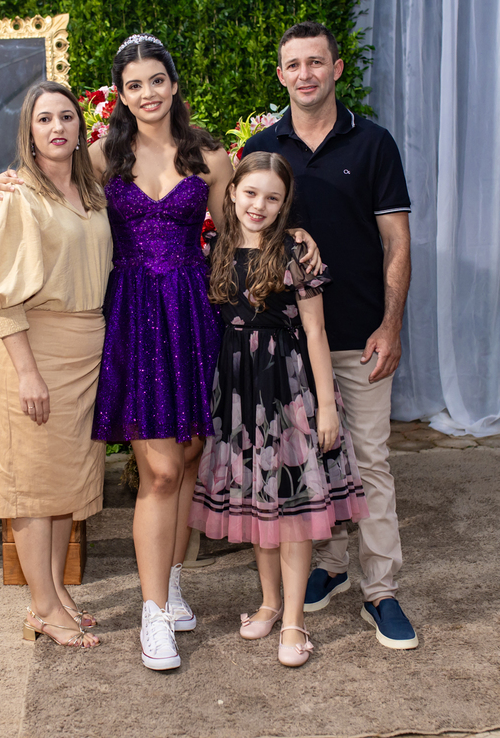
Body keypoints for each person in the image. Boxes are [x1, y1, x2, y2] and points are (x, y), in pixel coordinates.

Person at [0, 34, 321, 671]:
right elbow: (50, 186)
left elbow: (242, 232)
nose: (148, 93)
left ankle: (170, 588)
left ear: (173, 84)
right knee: (162, 471)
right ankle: (152, 616)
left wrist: (294, 233)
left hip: (196, 312)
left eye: (157, 80)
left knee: (191, 453)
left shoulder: (211, 155)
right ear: (120, 94)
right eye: (134, 84)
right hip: (133, 316)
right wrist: (9, 182)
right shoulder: (100, 156)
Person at [241, 21, 417, 650]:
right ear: (280, 74)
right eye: (294, 65)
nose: (305, 74)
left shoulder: (373, 143)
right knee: (309, 465)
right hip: (283, 350)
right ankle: (334, 565)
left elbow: (397, 241)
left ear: (337, 69)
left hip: (358, 337)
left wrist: (391, 325)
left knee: (368, 463)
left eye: (316, 62)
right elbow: (244, 232)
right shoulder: (263, 147)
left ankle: (381, 591)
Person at [188, 152, 368, 668]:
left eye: (272, 197)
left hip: (286, 390)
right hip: (235, 393)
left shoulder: (294, 252)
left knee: (291, 510)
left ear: (285, 203)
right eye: (250, 193)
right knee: (256, 504)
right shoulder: (214, 249)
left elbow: (315, 331)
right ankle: (268, 603)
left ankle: (293, 620)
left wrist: (327, 407)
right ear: (231, 193)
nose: (259, 205)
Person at [0, 80, 112, 649]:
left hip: (87, 350)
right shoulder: (18, 196)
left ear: (81, 127)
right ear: (28, 133)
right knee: (34, 487)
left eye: (67, 117)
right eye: (44, 119)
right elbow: (3, 296)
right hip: (38, 350)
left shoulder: (91, 190)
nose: (58, 127)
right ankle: (42, 607)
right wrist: (28, 372)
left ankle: (55, 594)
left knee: (63, 488)